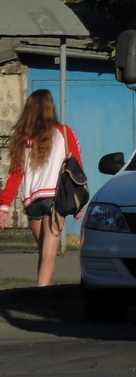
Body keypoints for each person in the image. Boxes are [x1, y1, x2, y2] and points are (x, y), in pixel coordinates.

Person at [0, 89, 84, 287]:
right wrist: (79, 202)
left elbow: (15, 175)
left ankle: (45, 290)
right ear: (50, 108)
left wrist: (4, 207)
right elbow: (77, 167)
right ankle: (42, 295)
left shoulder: (23, 139)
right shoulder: (64, 132)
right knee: (49, 254)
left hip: (32, 203)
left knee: (44, 253)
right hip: (55, 200)